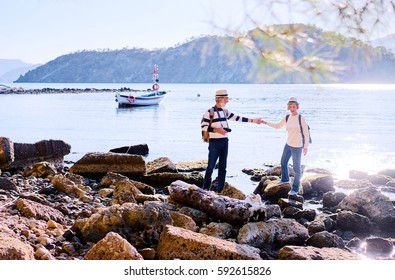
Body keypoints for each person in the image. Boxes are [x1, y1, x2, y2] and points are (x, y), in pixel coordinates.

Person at [200, 89, 263, 192]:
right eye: (226, 99)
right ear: (220, 99)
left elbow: (237, 118)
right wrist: (217, 130)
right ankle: (206, 189)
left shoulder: (225, 111)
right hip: (214, 143)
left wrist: (254, 120)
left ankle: (220, 190)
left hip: (225, 142)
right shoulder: (210, 112)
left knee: (223, 167)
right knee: (210, 166)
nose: (227, 101)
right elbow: (203, 126)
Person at [262, 97, 309, 196]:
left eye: (294, 107)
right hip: (288, 144)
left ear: (297, 107)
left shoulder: (301, 118)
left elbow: (306, 133)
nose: (292, 108)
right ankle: (285, 179)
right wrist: (266, 122)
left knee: (297, 169)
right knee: (283, 163)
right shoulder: (287, 117)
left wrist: (305, 147)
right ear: (288, 107)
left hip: (297, 146)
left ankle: (295, 189)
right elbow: (277, 126)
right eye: (290, 107)